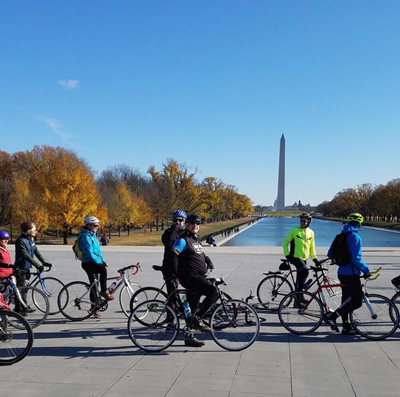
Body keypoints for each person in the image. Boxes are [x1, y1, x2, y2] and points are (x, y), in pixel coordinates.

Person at [171, 214, 217, 347]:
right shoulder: (183, 240)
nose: (195, 225)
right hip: (190, 277)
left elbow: (200, 254)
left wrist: (207, 261)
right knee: (213, 292)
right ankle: (198, 320)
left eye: (197, 223)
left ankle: (189, 337)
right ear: (186, 225)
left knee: (192, 308)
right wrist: (175, 273)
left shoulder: (195, 240)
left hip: (198, 276)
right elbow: (174, 254)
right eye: (192, 223)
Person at [325, 213, 370, 334]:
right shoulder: (355, 237)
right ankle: (333, 316)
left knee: (345, 299)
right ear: (359, 224)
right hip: (352, 274)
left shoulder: (339, 236)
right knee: (356, 301)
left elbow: (330, 254)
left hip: (342, 272)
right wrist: (366, 270)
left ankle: (346, 326)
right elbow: (356, 259)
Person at [282, 213, 319, 307]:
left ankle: (297, 301)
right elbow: (285, 243)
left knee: (300, 279)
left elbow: (312, 247)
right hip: (295, 257)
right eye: (301, 221)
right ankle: (301, 294)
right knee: (305, 271)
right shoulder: (294, 231)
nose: (302, 223)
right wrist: (287, 255)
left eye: (305, 221)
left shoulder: (311, 232)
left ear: (308, 222)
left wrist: (314, 258)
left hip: (304, 258)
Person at [79, 216, 113, 319]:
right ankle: (104, 291)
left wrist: (102, 261)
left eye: (98, 225)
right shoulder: (85, 237)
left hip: (93, 261)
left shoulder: (92, 235)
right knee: (103, 270)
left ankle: (93, 309)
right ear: (88, 225)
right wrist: (99, 263)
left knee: (94, 286)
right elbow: (89, 253)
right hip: (88, 263)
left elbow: (98, 251)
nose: (97, 227)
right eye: (95, 225)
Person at [14, 221, 51, 315]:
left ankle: (23, 306)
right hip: (20, 268)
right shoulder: (20, 241)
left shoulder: (31, 240)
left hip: (27, 268)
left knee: (25, 288)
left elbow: (36, 252)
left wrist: (44, 262)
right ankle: (19, 308)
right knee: (21, 288)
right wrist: (37, 265)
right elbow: (26, 255)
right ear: (28, 231)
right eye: (34, 230)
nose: (36, 232)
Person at [161, 209, 187, 299]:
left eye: (180, 220)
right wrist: (174, 230)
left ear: (184, 221)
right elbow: (168, 243)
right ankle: (171, 312)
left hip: (183, 267)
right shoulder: (168, 233)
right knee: (173, 295)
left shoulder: (185, 233)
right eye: (175, 220)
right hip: (170, 268)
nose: (178, 222)